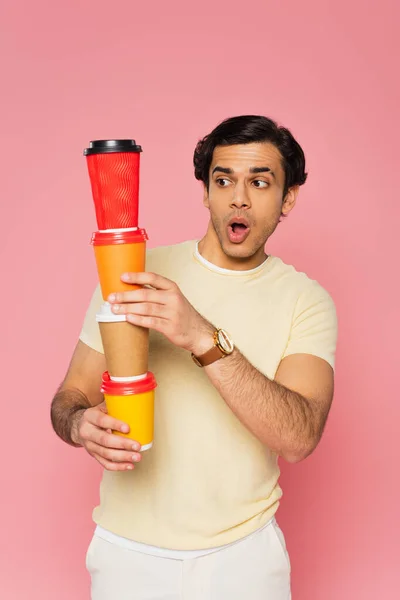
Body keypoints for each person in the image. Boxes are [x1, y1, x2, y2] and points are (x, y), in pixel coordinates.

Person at [51, 115, 337, 600]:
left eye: (260, 182)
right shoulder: (137, 272)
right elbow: (69, 396)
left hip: (244, 560)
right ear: (205, 191)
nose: (238, 198)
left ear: (287, 198)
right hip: (127, 557)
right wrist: (80, 424)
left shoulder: (306, 301)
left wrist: (201, 335)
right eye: (223, 180)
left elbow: (299, 436)